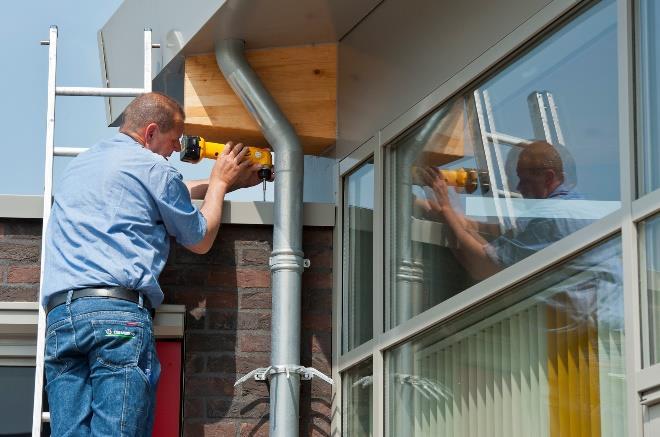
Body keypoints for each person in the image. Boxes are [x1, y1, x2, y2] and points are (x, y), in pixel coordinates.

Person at [41, 92, 265, 436]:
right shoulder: (154, 168)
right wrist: (219, 182)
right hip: (116, 316)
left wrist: (226, 184)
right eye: (173, 141)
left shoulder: (83, 164)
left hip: (62, 320)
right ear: (149, 132)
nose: (176, 151)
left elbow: (168, 189)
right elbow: (200, 238)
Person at [420, 140, 590, 281]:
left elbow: (486, 267)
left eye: (524, 180)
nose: (518, 187)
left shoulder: (552, 219)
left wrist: (446, 208)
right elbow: (487, 243)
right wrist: (447, 207)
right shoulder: (573, 208)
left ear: (548, 177)